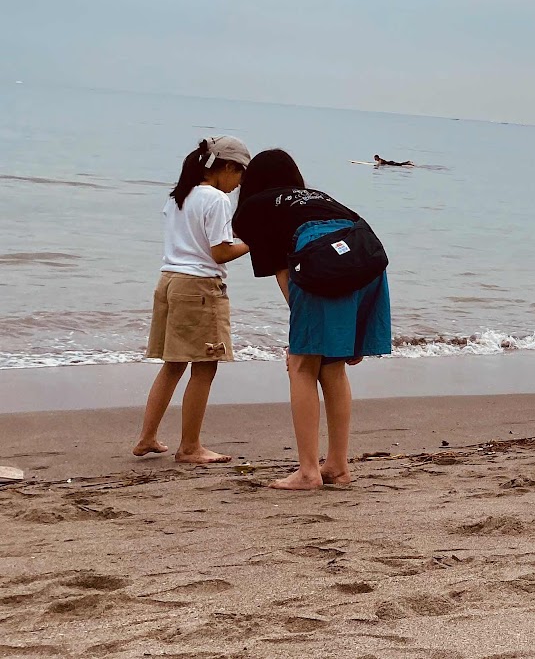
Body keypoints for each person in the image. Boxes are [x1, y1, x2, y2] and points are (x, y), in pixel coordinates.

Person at [234, 149, 392, 490]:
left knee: (302, 364)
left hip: (322, 256)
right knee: (332, 364)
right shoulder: (316, 197)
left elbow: (284, 272)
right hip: (367, 256)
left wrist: (301, 340)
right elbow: (350, 237)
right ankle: (337, 466)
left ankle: (308, 472)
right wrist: (351, 334)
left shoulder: (254, 209)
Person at [133, 136, 252, 463]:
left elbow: (194, 240)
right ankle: (190, 447)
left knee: (173, 364)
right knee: (204, 367)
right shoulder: (216, 199)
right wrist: (255, 242)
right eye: (240, 174)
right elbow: (220, 252)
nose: (239, 184)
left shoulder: (179, 197)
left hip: (169, 282)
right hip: (199, 287)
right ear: (227, 167)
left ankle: (147, 436)